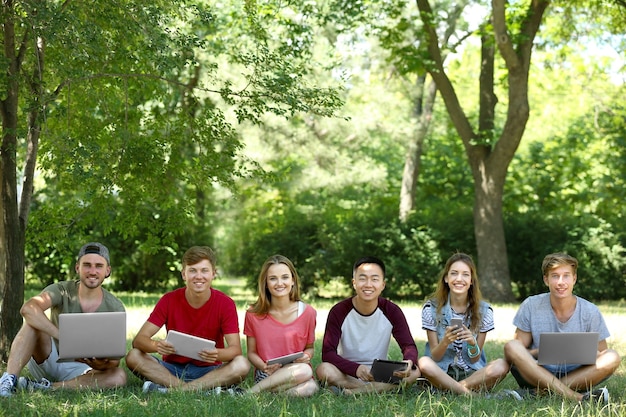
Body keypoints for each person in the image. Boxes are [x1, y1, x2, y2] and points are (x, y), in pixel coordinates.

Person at [0, 243, 127, 397]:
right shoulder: (62, 290)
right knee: (33, 321)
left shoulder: (115, 307)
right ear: (77, 268)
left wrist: (98, 363)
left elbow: (114, 363)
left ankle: (47, 387)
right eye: (87, 265)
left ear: (107, 271)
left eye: (98, 266)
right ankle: (9, 380)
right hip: (48, 357)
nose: (92, 271)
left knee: (119, 376)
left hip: (84, 370)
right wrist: (63, 336)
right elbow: (28, 308)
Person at [125, 246, 250, 394]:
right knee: (133, 356)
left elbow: (235, 350)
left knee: (242, 364)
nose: (198, 276)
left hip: (209, 370)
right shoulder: (169, 300)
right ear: (184, 274)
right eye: (192, 270)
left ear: (213, 274)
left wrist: (217, 354)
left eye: (204, 270)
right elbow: (138, 341)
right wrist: (157, 346)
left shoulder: (225, 303)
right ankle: (197, 389)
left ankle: (175, 390)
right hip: (171, 370)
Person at [504, 252, 621, 403]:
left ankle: (541, 392)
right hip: (537, 371)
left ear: (574, 279)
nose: (561, 282)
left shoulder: (590, 311)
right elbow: (518, 352)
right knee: (511, 346)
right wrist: (541, 351)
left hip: (577, 372)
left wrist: (581, 351)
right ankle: (577, 397)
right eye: (555, 276)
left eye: (566, 275)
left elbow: (600, 352)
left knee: (612, 356)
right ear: (546, 280)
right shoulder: (531, 305)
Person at [315, 256, 421, 394]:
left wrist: (409, 361)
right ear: (354, 283)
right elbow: (328, 353)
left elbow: (409, 346)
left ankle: (354, 392)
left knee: (416, 371)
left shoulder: (392, 311)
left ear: (383, 285)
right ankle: (377, 389)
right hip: (347, 372)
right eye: (363, 278)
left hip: (379, 372)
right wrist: (356, 368)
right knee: (323, 369)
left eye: (375, 279)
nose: (368, 284)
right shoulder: (339, 311)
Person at [417, 253, 510, 395]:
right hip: (441, 371)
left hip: (470, 374)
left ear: (472, 280)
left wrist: (472, 343)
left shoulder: (485, 311)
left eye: (465, 274)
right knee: (424, 362)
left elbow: (475, 358)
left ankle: (452, 389)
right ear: (446, 278)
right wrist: (445, 342)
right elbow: (434, 357)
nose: (459, 279)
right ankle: (469, 394)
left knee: (501, 365)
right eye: (454, 273)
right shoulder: (431, 309)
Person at [244, 255, 318, 396]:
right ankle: (251, 392)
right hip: (267, 373)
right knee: (306, 372)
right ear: (265, 283)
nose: (279, 283)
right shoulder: (253, 314)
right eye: (273, 278)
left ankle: (265, 393)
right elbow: (251, 353)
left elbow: (310, 348)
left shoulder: (308, 312)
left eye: (284, 277)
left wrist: (307, 356)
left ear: (293, 280)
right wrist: (264, 367)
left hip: (297, 372)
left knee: (311, 387)